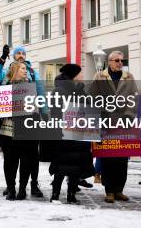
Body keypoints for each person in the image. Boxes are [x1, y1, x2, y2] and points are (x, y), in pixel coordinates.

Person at [0, 44, 44, 198]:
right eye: (18, 53)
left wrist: (43, 112)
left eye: (23, 53)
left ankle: (27, 186)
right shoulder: (4, 78)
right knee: (10, 159)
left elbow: (40, 96)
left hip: (27, 124)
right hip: (8, 126)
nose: (21, 55)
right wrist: (3, 57)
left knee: (29, 158)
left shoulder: (33, 76)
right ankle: (11, 188)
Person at [89, 51, 138, 203]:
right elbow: (93, 97)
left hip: (124, 121)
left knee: (122, 158)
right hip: (106, 121)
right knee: (108, 157)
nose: (120, 63)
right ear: (109, 62)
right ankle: (109, 190)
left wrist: (129, 114)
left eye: (122, 61)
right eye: (117, 60)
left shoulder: (128, 77)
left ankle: (119, 190)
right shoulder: (99, 76)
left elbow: (134, 97)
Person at [47, 64, 95, 204]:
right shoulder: (58, 90)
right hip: (64, 134)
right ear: (73, 75)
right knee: (61, 166)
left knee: (76, 166)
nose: (82, 75)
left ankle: (72, 195)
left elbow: (89, 107)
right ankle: (55, 195)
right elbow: (56, 112)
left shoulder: (80, 90)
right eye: (80, 73)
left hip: (78, 134)